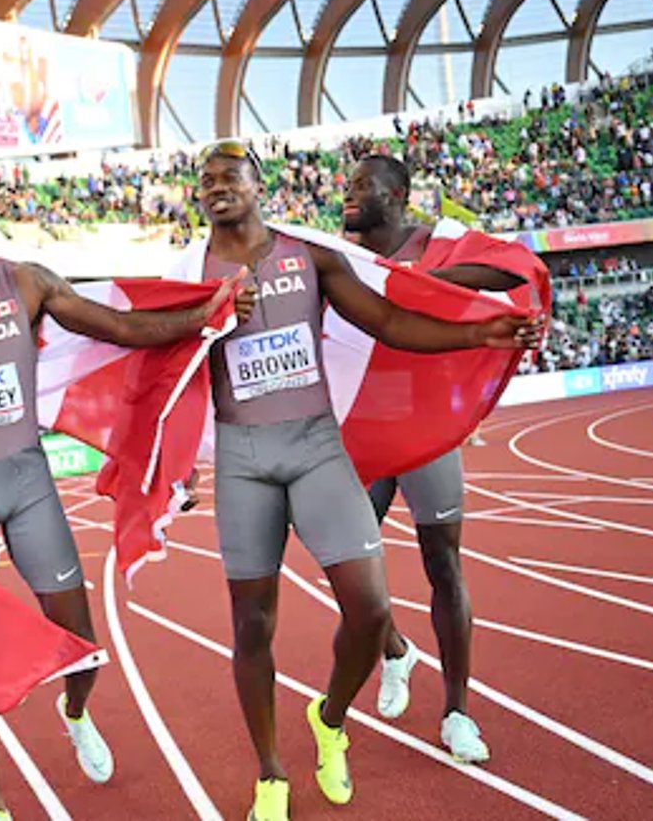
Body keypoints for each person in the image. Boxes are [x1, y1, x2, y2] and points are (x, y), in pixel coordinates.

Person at [187, 140, 540, 821]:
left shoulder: (312, 256)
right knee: (251, 624)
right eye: (207, 180)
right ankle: (270, 775)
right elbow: (157, 355)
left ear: (261, 187)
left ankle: (330, 717)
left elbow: (388, 319)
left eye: (232, 176)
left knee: (371, 607)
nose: (218, 186)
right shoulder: (187, 270)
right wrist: (202, 317)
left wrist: (485, 334)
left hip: (318, 445)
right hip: (242, 458)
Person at [0, 173, 248, 818]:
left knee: (82, 641)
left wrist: (203, 317)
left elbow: (119, 327)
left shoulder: (28, 282)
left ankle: (76, 709)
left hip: (27, 483)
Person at [341, 155, 529, 764]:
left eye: (360, 187)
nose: (347, 197)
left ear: (396, 195)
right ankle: (395, 649)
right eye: (346, 187)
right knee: (343, 564)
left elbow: (518, 269)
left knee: (442, 565)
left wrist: (428, 282)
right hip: (365, 434)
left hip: (426, 433)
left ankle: (457, 714)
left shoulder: (439, 243)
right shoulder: (341, 258)